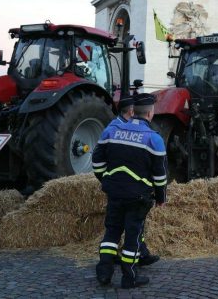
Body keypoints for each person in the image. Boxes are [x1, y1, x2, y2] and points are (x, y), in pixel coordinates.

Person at [92, 93, 167, 289]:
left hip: (115, 193)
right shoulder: (154, 139)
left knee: (112, 232)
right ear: (150, 113)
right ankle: (129, 277)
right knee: (133, 236)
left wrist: (107, 180)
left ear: (133, 112)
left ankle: (104, 273)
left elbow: (97, 163)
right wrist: (161, 197)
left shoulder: (112, 131)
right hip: (138, 196)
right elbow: (160, 176)